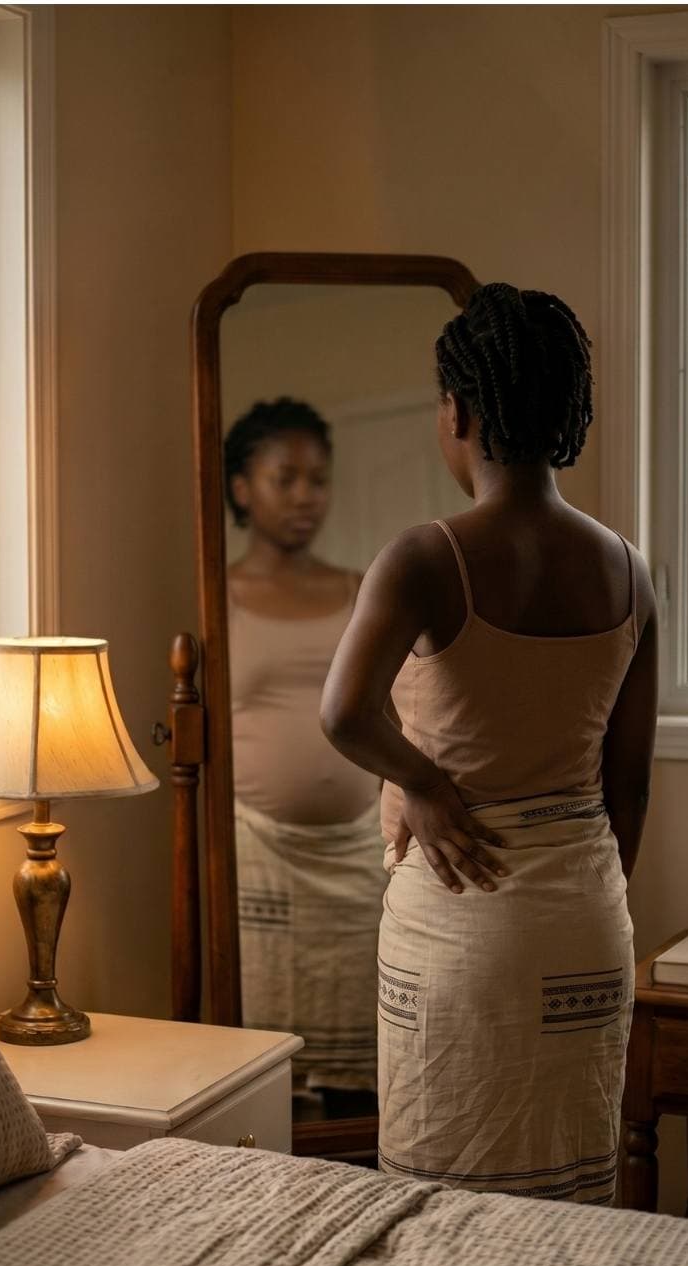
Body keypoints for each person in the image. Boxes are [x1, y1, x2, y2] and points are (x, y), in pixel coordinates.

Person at [320, 284, 657, 1202]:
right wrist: (583, 890)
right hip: (586, 920)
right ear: (565, 411)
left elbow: (345, 713)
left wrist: (424, 785)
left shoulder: (425, 558)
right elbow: (630, 785)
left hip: (460, 922)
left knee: (440, 1208)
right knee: (570, 1208)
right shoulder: (630, 571)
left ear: (459, 411)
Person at [224, 397, 387, 1118]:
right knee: (266, 1077)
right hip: (256, 853)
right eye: (284, 478)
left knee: (365, 1076)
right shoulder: (216, 593)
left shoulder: (359, 588)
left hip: (358, 855)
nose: (305, 497)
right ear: (241, 489)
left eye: (317, 480)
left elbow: (396, 707)